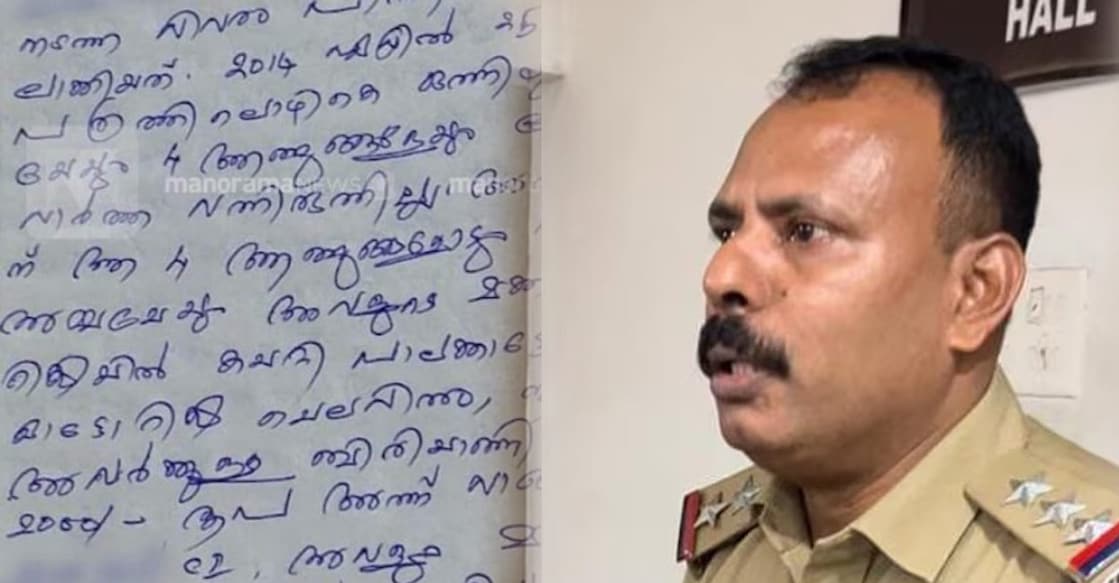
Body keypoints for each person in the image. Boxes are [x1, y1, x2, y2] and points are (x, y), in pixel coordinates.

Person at [680, 36, 1119, 583]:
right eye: (727, 232)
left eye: (805, 231)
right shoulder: (730, 547)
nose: (721, 276)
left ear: (976, 291)